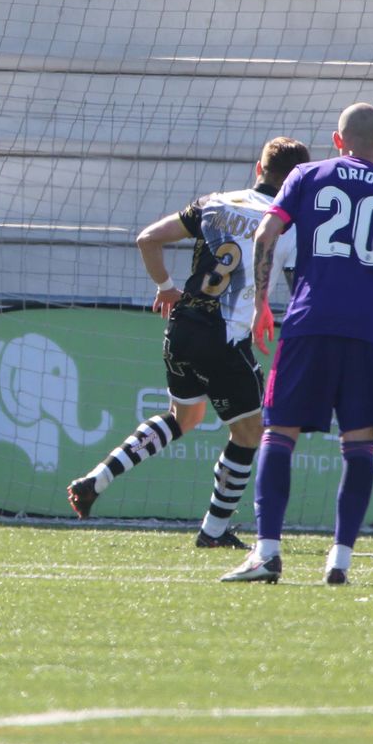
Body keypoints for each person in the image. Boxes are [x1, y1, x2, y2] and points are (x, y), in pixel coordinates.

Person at [223, 103, 373, 586]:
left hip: (308, 322)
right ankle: (339, 561)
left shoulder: (307, 174)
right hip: (367, 332)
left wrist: (262, 300)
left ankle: (267, 555)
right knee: (358, 445)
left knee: (279, 433)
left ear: (337, 140)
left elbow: (266, 229)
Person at [67, 137, 311, 548]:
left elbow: (147, 239)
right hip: (225, 337)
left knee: (184, 417)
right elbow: (301, 285)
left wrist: (165, 286)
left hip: (182, 326)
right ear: (297, 182)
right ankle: (214, 531)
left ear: (258, 169)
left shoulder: (214, 202)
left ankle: (97, 478)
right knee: (251, 432)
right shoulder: (289, 222)